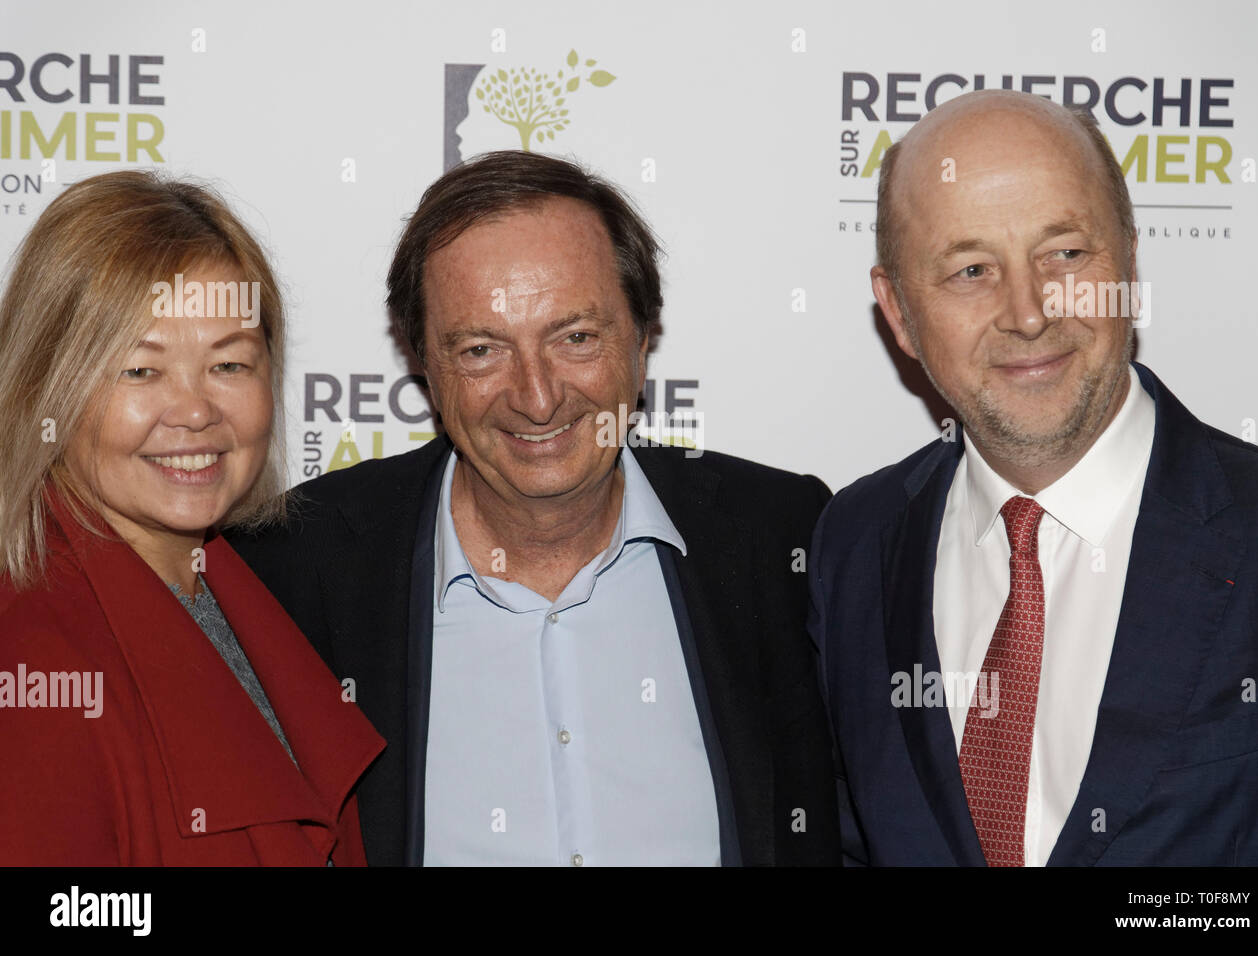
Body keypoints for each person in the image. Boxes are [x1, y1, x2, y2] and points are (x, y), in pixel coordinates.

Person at [229, 150, 838, 866]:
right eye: (483, 349)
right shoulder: (293, 566)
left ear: (644, 338)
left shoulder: (783, 540)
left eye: (575, 337)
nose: (538, 396)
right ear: (421, 358)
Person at [810, 89, 1258, 866]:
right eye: (970, 270)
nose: (1029, 312)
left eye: (1066, 254)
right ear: (898, 311)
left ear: (1129, 262)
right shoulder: (853, 543)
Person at [0, 170, 384, 865]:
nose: (198, 411)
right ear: (44, 383)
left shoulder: (248, 596)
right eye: (140, 372)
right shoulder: (32, 667)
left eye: (230, 365)